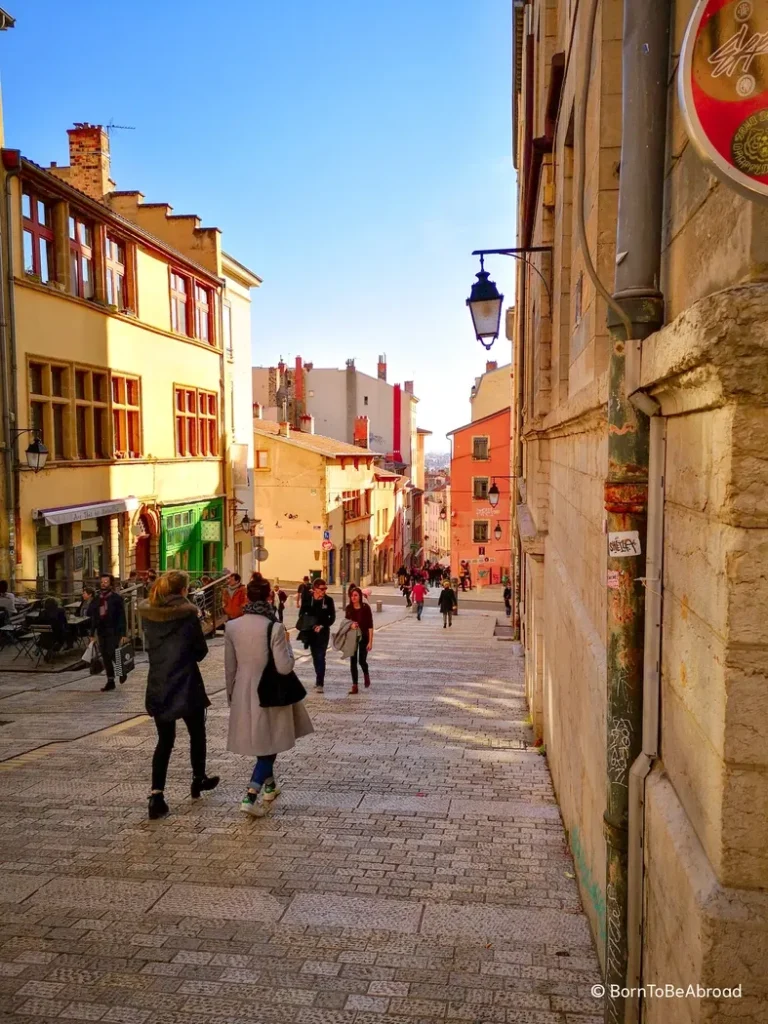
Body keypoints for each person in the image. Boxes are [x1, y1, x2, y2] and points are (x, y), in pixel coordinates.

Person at [226, 577, 314, 816]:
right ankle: (250, 795)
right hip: (270, 692)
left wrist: (231, 696)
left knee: (262, 738)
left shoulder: (232, 627)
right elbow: (284, 667)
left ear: (246, 597)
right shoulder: (274, 627)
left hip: (244, 691)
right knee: (270, 743)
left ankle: (270, 786)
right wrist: (288, 648)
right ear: (269, 597)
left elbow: (230, 668)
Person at [139, 571, 218, 820]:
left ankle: (156, 795)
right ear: (183, 590)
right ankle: (198, 778)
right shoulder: (187, 615)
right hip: (185, 683)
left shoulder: (149, 615)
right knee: (197, 733)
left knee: (164, 741)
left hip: (159, 683)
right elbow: (200, 651)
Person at [89, 574, 127, 692]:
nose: (104, 583)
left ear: (110, 583)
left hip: (114, 630)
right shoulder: (97, 598)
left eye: (106, 581)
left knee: (112, 653)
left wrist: (123, 633)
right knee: (105, 655)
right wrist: (92, 633)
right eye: (102, 582)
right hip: (102, 630)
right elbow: (93, 616)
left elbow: (122, 616)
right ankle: (110, 681)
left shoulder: (116, 598)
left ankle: (122, 671)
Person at [299, 578, 336, 690]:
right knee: (315, 656)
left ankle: (320, 682)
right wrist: (309, 624)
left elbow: (332, 617)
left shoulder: (329, 600)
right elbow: (301, 613)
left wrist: (322, 626)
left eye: (325, 588)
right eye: (321, 589)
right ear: (315, 589)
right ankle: (318, 677)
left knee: (321, 655)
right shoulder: (308, 599)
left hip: (323, 632)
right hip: (310, 632)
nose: (324, 591)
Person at [345, 585, 374, 694]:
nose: (353, 597)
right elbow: (345, 623)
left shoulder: (366, 607)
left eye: (356, 595)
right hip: (352, 637)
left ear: (360, 596)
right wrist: (351, 626)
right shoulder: (349, 608)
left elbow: (370, 625)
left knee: (362, 661)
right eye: (352, 596)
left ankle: (366, 674)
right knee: (352, 661)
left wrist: (370, 642)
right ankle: (355, 685)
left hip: (364, 637)